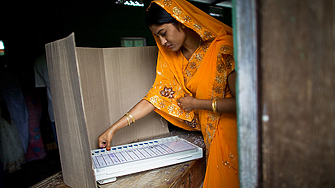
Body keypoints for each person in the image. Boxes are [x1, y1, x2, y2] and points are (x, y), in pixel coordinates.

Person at [98, 0, 238, 187]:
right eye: (157, 37)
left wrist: (196, 104)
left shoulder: (223, 49)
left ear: (181, 21)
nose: (162, 42)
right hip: (210, 137)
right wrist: (113, 129)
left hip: (233, 139)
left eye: (163, 33)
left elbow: (245, 104)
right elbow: (155, 98)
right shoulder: (175, 59)